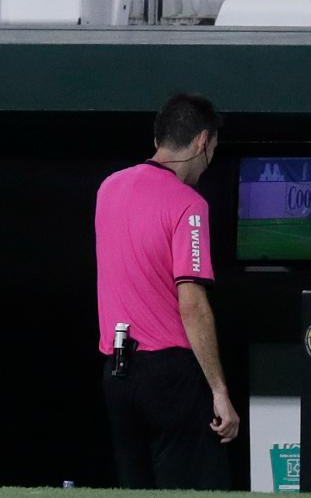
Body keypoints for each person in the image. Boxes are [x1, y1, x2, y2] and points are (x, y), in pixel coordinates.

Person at [95, 92, 238, 489]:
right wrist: (219, 392)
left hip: (117, 373)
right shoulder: (188, 204)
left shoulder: (108, 189)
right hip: (169, 376)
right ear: (201, 142)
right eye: (212, 151)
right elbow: (192, 305)